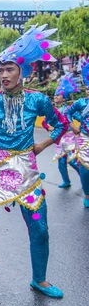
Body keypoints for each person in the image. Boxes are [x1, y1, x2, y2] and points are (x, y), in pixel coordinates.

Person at [0, 24, 67, 298]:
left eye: (9, 69)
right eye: (1, 70)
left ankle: (39, 280)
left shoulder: (38, 100)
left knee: (39, 228)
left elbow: (61, 124)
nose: (3, 75)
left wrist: (41, 145)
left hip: (27, 174)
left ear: (23, 72)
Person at [44, 74, 80, 189]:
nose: (55, 97)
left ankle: (85, 177)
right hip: (61, 139)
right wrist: (48, 128)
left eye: (58, 95)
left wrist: (81, 127)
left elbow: (80, 117)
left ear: (63, 98)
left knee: (73, 161)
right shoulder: (53, 110)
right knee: (61, 162)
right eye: (54, 95)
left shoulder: (68, 109)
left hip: (70, 138)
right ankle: (66, 180)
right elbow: (45, 121)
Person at [65, 59, 89, 207]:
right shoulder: (81, 103)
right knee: (85, 169)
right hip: (85, 138)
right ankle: (87, 194)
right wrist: (73, 126)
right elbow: (67, 113)